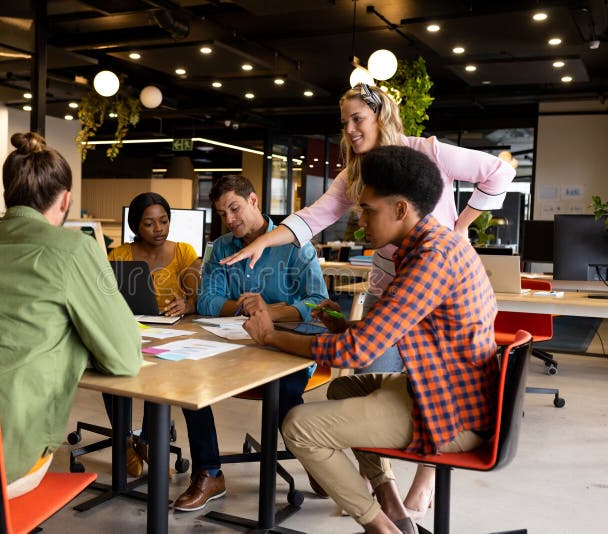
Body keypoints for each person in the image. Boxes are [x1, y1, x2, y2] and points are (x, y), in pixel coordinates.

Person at [223, 82, 514, 512]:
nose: (350, 130)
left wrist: (463, 224)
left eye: (357, 118)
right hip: (399, 287)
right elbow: (313, 217)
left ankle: (398, 497)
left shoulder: (427, 161)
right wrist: (264, 241)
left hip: (440, 355)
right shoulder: (357, 173)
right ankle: (383, 489)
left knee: (310, 417)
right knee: (353, 385)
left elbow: (498, 172)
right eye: (345, 123)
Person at [0, 132, 143, 499]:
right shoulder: (75, 249)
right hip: (3, 459)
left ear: (9, 195)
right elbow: (125, 357)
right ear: (66, 199)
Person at [173, 174, 330, 512]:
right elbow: (207, 301)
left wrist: (270, 310)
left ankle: (317, 463)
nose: (230, 220)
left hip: (288, 347)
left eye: (235, 208)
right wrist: (246, 307)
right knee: (188, 381)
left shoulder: (294, 243)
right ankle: (209, 471)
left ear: (255, 201)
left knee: (286, 389)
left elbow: (319, 303)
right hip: (233, 347)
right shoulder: (221, 248)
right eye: (222, 213)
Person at [106, 191, 201, 477]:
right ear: (136, 226)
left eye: (164, 221)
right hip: (131, 330)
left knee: (159, 378)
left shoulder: (184, 251)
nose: (159, 228)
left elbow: (199, 296)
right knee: (110, 370)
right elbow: (106, 297)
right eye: (149, 223)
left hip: (173, 333)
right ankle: (123, 440)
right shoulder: (120, 255)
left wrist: (187, 303)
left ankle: (146, 441)